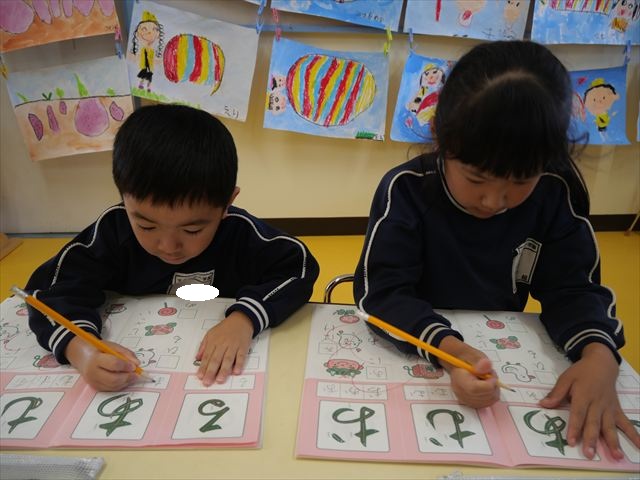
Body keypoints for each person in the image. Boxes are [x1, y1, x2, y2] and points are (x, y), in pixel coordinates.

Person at [353, 40, 639, 460]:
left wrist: (599, 356)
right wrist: (451, 352)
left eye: (520, 181)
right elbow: (383, 294)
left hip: (505, 344)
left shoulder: (554, 192)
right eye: (476, 178)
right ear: (442, 138)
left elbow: (573, 288)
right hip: (419, 347)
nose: (493, 201)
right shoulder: (407, 190)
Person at [26, 104, 319, 392]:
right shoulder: (112, 230)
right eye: (146, 226)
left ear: (226, 204)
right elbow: (50, 292)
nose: (168, 246)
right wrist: (82, 349)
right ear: (124, 198)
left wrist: (244, 319)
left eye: (192, 230)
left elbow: (298, 268)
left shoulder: (241, 233)